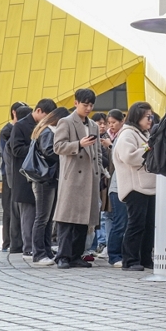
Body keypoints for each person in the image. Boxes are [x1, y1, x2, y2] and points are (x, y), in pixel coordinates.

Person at [52, 89, 102, 269]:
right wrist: (79, 144)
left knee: (84, 220)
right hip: (73, 176)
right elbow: (57, 146)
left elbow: (97, 152)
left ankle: (76, 255)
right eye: (85, 104)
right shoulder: (65, 122)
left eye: (91, 105)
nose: (88, 108)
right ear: (76, 103)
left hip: (90, 177)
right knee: (67, 219)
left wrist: (100, 172)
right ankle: (63, 256)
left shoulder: (94, 125)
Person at [8, 99, 57, 261]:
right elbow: (15, 149)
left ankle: (43, 247)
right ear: (38, 111)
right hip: (26, 175)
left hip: (42, 175)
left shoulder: (45, 128)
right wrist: (36, 146)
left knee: (44, 215)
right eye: (47, 115)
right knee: (30, 214)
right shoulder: (21, 126)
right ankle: (29, 248)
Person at [113, 102, 157, 271]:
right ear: (137, 116)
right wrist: (149, 149)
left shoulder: (142, 133)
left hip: (147, 185)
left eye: (151, 117)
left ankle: (145, 258)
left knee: (148, 225)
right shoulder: (127, 134)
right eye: (148, 117)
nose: (150, 120)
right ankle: (130, 260)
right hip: (135, 187)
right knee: (136, 224)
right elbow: (129, 156)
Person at [29, 107, 69, 265]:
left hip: (48, 178)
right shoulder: (48, 131)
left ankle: (45, 249)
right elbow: (48, 151)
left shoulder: (46, 130)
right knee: (42, 217)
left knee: (47, 218)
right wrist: (65, 153)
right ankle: (39, 253)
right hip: (44, 179)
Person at [99, 108, 127, 262]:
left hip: (119, 180)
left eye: (113, 122)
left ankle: (114, 249)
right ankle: (112, 251)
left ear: (122, 121)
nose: (110, 126)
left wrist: (110, 146)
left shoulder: (122, 136)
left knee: (118, 217)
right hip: (109, 181)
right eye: (109, 123)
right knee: (111, 217)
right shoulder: (105, 137)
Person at [0, 102, 27, 252]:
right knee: (9, 208)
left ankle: (16, 241)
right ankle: (8, 242)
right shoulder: (8, 130)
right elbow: (8, 155)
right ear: (14, 112)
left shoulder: (18, 129)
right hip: (9, 173)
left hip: (18, 173)